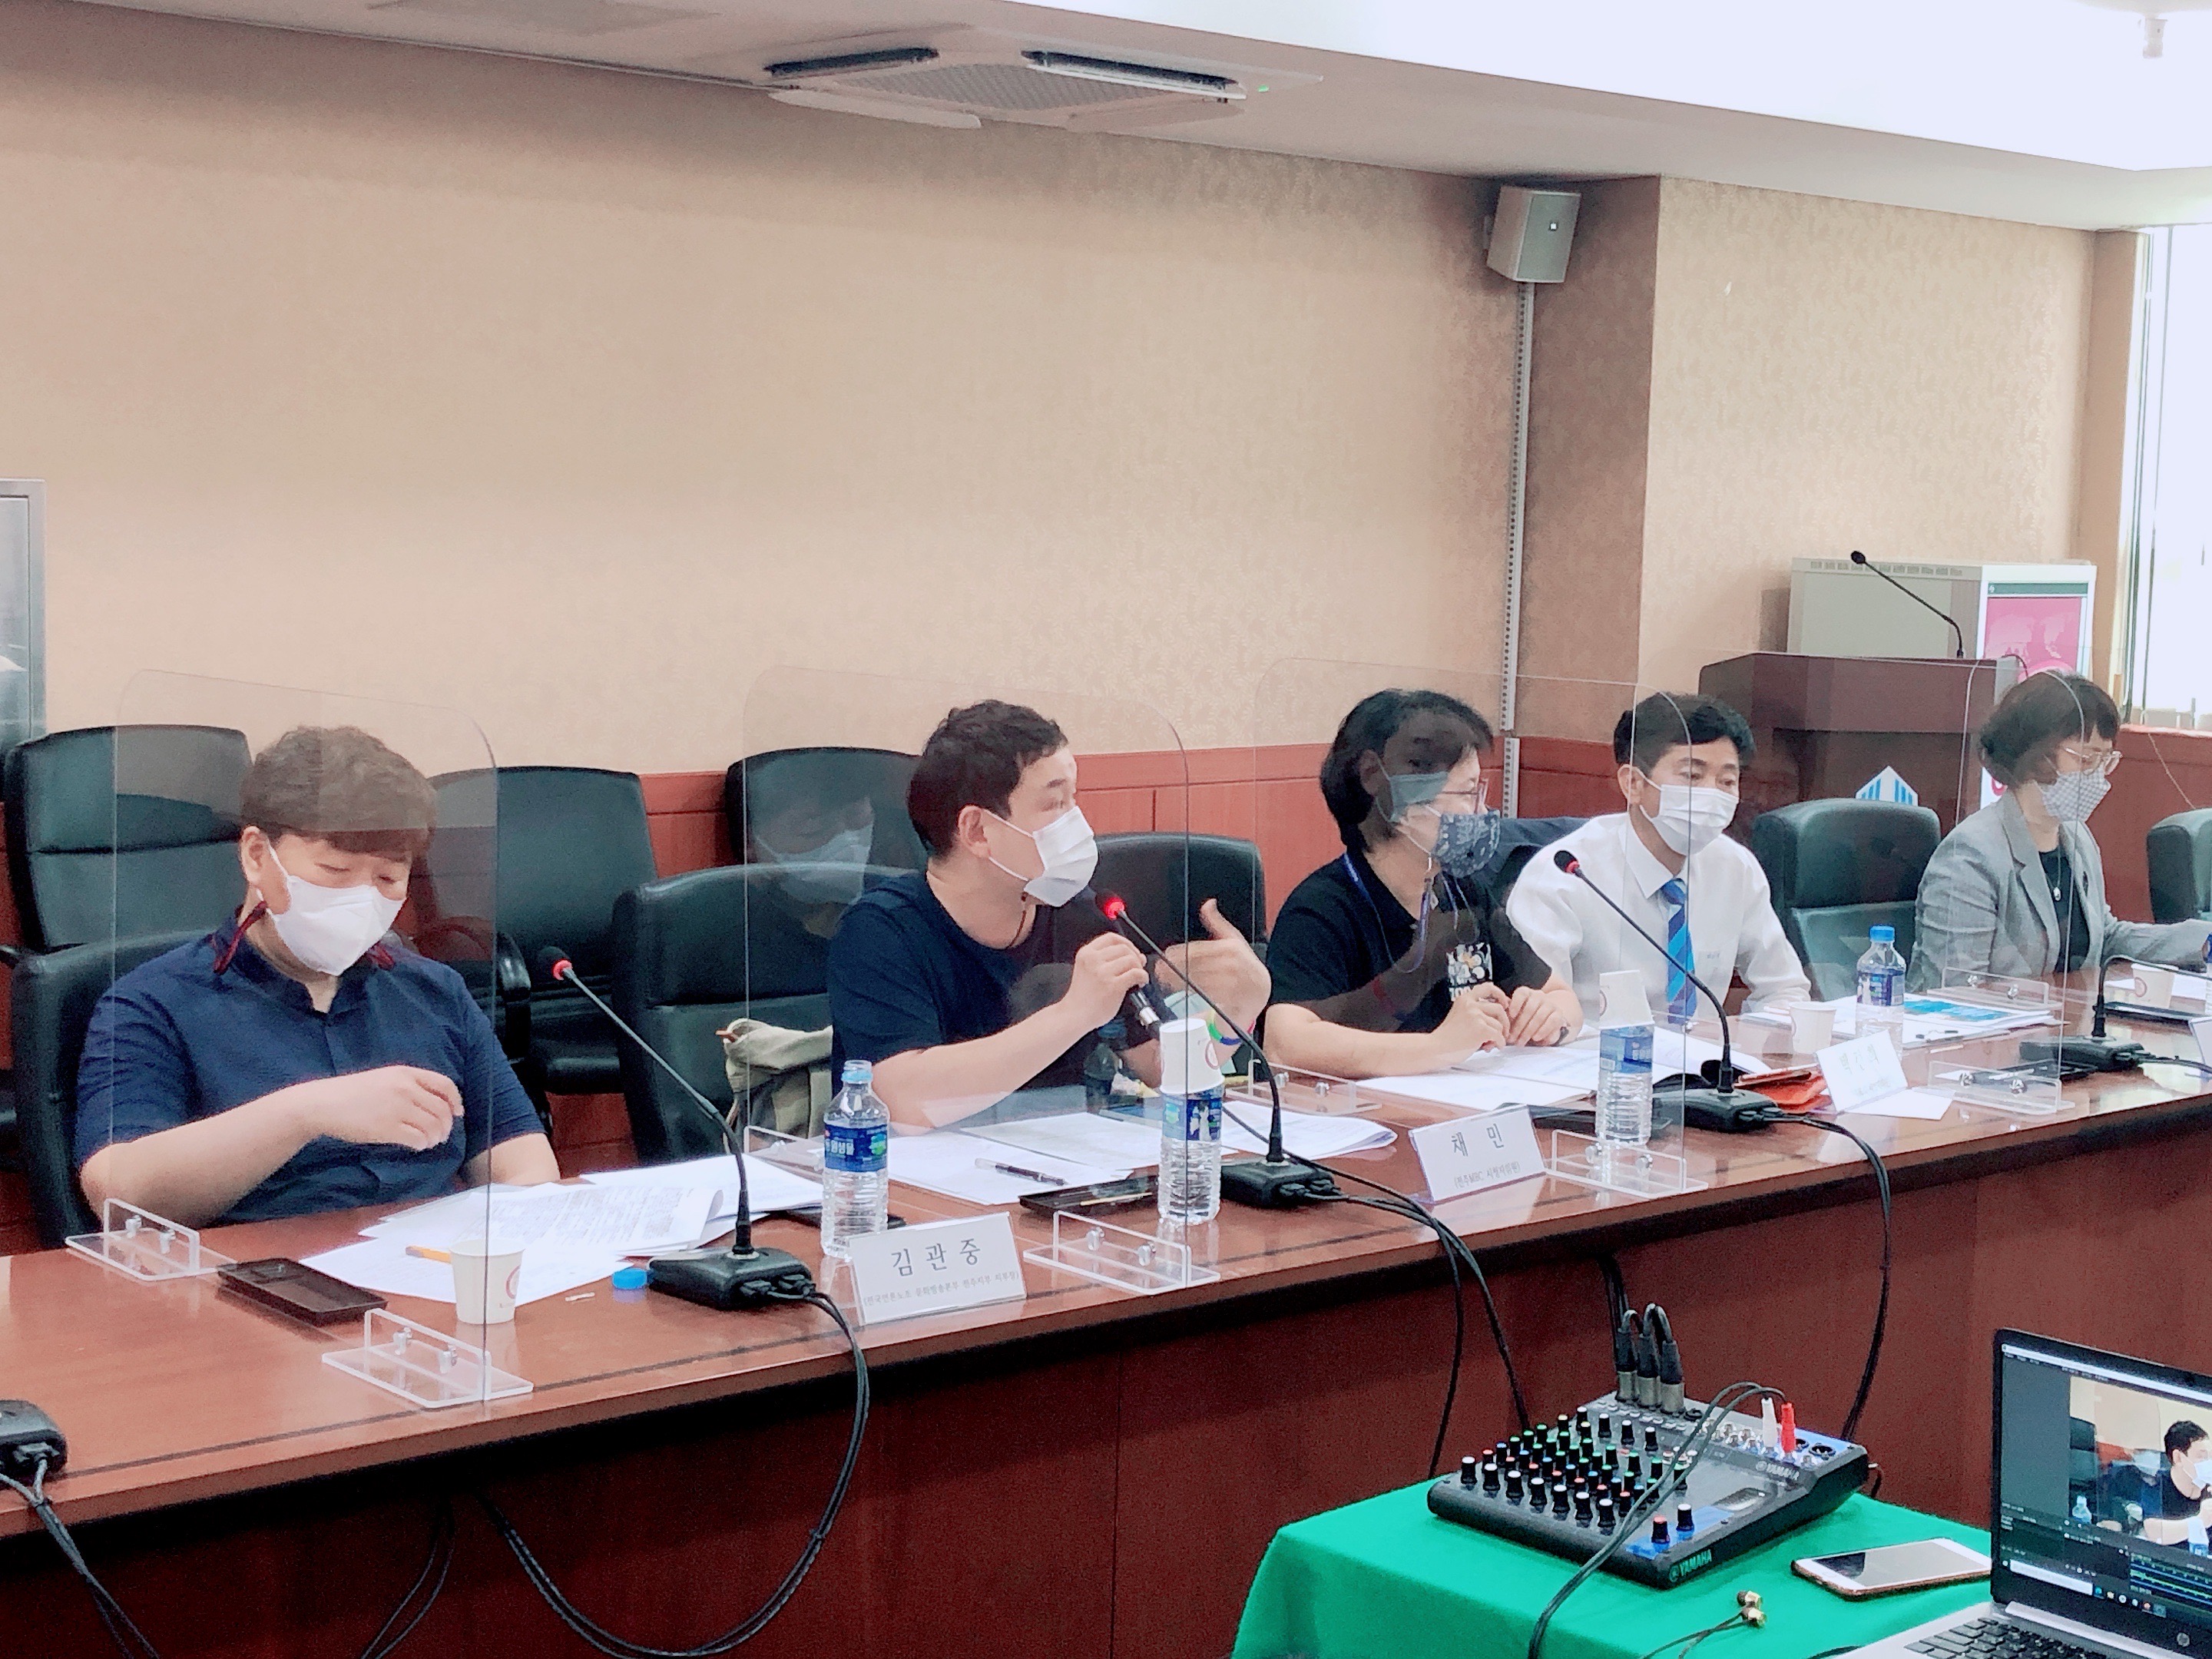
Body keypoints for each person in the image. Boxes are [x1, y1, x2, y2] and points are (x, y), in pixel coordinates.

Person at [75, 726, 558, 1227]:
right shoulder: (153, 1002)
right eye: (336, 870)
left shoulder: (435, 992)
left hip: (430, 1258)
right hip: (256, 1265)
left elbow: (525, 1165)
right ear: (257, 856)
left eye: (388, 878)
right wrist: (306, 1113)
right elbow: (117, 1195)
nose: (362, 899)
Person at [825, 700, 1269, 1132]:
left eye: (1074, 800)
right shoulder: (881, 930)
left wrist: (1236, 1014)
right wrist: (1075, 1013)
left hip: (1067, 1164)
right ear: (977, 831)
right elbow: (902, 1102)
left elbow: (1160, 1067)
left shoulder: (1082, 915)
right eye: (1055, 804)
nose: (1077, 824)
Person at [1262, 689, 1579, 1080]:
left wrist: (1549, 1017)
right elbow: (1286, 1043)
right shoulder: (1322, 907)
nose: (1482, 812)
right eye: (1468, 793)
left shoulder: (1462, 893)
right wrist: (1439, 1047)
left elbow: (1561, 996)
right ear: (1398, 802)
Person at [1507, 692, 1808, 1024]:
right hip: (1592, 1052)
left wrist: (1763, 1037)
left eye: (1727, 781)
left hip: (1706, 1055)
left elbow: (1784, 988)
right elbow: (1536, 1011)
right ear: (1633, 783)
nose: (1712, 794)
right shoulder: (1565, 876)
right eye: (1692, 776)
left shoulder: (1735, 867)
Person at [1908, 672, 2212, 989]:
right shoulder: (1970, 855)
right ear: (2035, 755)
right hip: (1988, 1019)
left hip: (2065, 1016)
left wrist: (2203, 939)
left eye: (2105, 760)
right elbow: (1956, 987)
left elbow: (2105, 938)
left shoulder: (2077, 839)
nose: (2097, 776)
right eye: (2086, 759)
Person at [2157, 1421, 2212, 1525]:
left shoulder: (2209, 1490)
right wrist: (2200, 1522)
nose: (2209, 1463)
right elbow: (2154, 1530)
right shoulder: (2155, 1488)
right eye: (2202, 1457)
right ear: (2178, 1457)